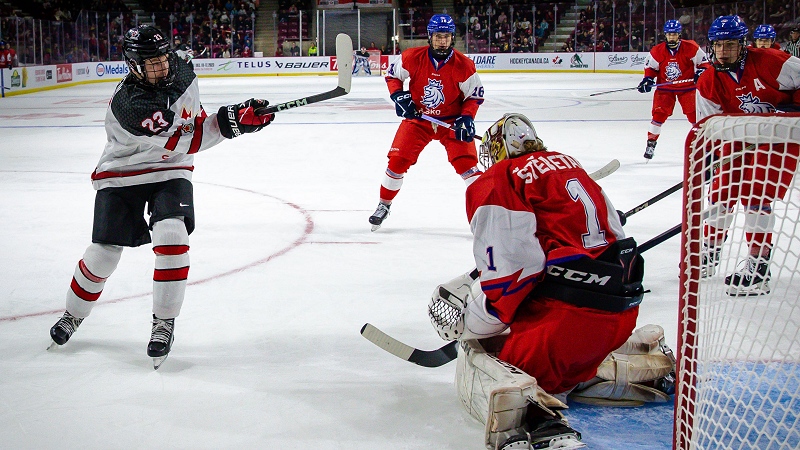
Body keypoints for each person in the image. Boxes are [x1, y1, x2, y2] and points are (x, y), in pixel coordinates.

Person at [427, 114, 674, 449]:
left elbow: (513, 274)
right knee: (569, 364)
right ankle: (643, 369)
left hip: (562, 324)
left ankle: (541, 423)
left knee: (494, 364)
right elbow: (615, 232)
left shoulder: (501, 177)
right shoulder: (570, 165)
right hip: (621, 315)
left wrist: (473, 321)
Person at [47, 25, 276, 369]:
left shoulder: (181, 70)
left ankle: (163, 323)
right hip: (122, 170)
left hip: (171, 169)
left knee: (172, 234)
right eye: (151, 62)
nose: (162, 67)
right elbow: (186, 140)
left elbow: (193, 122)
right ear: (133, 65)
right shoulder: (131, 105)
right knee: (103, 254)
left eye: (163, 58)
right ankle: (72, 315)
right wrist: (232, 123)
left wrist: (236, 114)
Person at [695, 15, 800, 296]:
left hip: (779, 138)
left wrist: (793, 109)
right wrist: (710, 155)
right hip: (739, 139)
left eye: (730, 44)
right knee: (719, 194)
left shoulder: (771, 61)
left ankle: (758, 266)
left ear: (743, 45)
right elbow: (710, 126)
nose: (724, 51)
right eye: (719, 45)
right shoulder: (708, 80)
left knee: (756, 196)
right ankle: (710, 253)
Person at [368, 13, 484, 231]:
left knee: (467, 166)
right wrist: (398, 96)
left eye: (447, 36)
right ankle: (384, 205)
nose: (442, 41)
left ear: (453, 38)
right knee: (397, 162)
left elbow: (474, 96)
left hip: (451, 122)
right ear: (430, 37)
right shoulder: (412, 56)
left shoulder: (464, 66)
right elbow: (393, 76)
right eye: (438, 36)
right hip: (418, 119)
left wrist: (467, 117)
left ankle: (487, 212)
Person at [638, 19, 710, 160]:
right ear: (665, 35)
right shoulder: (657, 51)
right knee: (658, 117)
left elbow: (704, 64)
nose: (672, 37)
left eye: (674, 34)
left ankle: (703, 146)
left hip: (687, 89)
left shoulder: (691, 47)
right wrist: (648, 79)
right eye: (669, 34)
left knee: (694, 118)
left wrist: (700, 72)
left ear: (679, 34)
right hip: (665, 89)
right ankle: (651, 144)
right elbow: (651, 68)